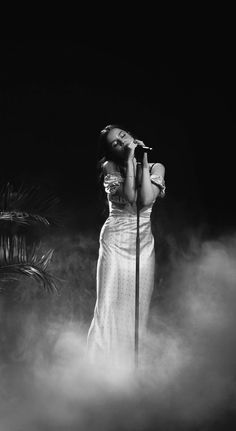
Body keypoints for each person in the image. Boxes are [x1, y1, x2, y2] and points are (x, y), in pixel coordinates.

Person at [87, 124, 165, 368]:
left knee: (136, 309)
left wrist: (142, 158)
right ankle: (100, 371)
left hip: (142, 244)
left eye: (122, 136)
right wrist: (131, 159)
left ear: (130, 134)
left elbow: (146, 199)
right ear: (111, 152)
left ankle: (129, 370)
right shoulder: (109, 168)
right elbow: (130, 197)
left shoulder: (155, 167)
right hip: (115, 240)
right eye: (115, 144)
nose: (122, 142)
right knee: (108, 306)